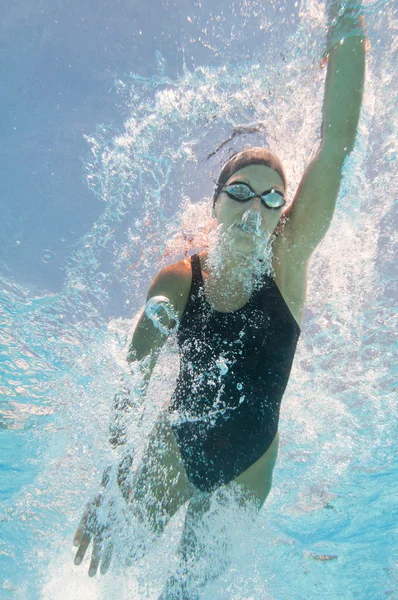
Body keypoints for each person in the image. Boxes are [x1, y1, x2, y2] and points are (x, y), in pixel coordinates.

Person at [73, 2, 366, 598]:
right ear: (216, 204)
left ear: (282, 213)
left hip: (251, 468)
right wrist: (110, 479)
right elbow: (133, 380)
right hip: (175, 450)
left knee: (185, 594)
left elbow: (335, 145)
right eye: (240, 191)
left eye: (271, 198)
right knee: (106, 572)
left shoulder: (288, 265)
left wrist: (348, 24)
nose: (255, 207)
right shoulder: (180, 281)